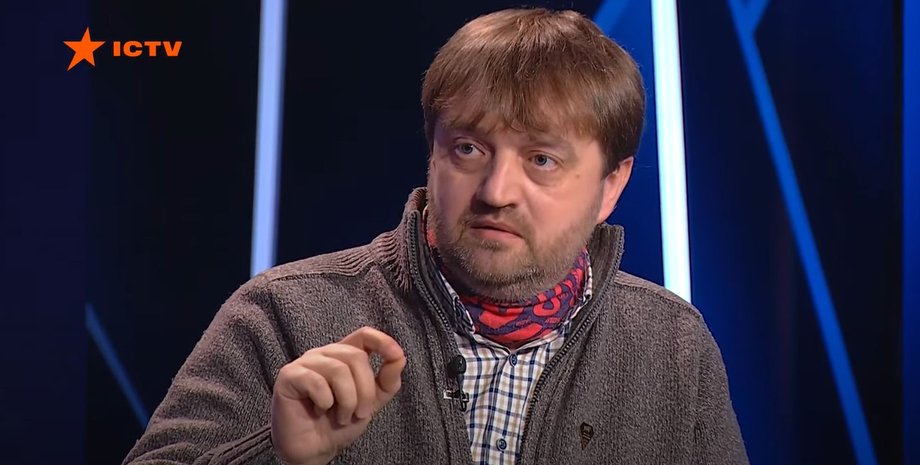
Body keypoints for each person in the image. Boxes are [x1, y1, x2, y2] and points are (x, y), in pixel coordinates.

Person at [123, 7, 748, 465]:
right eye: (469, 148)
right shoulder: (283, 313)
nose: (496, 191)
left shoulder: (674, 347)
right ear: (433, 154)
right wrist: (279, 458)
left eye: (542, 160)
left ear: (611, 185)